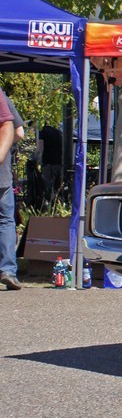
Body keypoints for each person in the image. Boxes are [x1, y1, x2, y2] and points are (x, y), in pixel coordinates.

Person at [0, 88, 22, 290]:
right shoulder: (5, 98)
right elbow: (19, 132)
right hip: (2, 174)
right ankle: (8, 270)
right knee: (6, 221)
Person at [37, 122, 62, 206]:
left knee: (47, 186)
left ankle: (48, 205)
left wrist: (37, 160)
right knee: (56, 187)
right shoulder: (58, 131)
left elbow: (40, 148)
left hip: (47, 163)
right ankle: (57, 204)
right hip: (58, 163)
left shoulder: (42, 131)